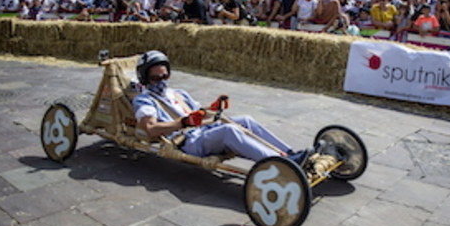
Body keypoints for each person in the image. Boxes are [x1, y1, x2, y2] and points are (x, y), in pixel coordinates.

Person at [132, 51, 316, 164]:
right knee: (229, 131)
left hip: (202, 130)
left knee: (246, 120)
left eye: (165, 76)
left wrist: (214, 107)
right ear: (145, 79)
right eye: (156, 78)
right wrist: (183, 123)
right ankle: (279, 163)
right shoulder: (144, 100)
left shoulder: (178, 93)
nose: (161, 82)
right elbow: (150, 129)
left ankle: (289, 153)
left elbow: (200, 114)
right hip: (187, 141)